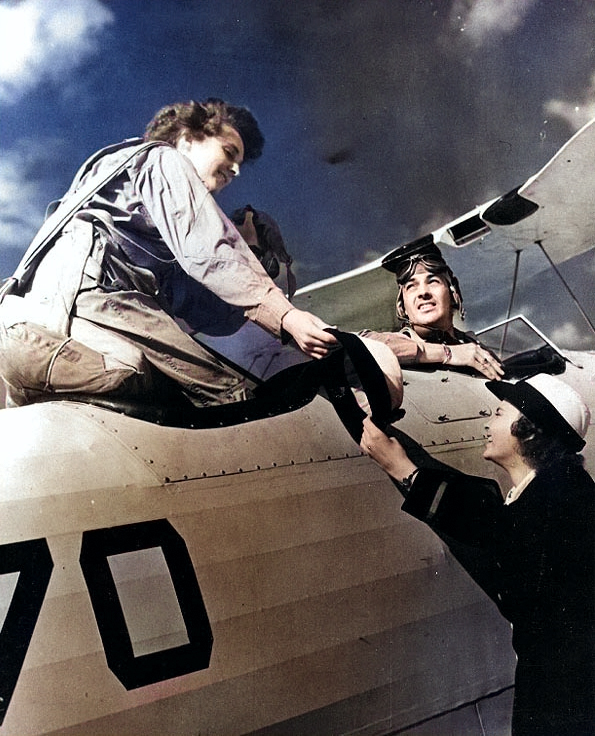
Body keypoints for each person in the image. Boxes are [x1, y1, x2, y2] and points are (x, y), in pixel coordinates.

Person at [0, 99, 336, 408]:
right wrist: (286, 315)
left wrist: (253, 263)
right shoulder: (161, 158)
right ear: (188, 138)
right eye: (229, 152)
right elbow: (210, 253)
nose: (235, 171)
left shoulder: (127, 206)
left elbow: (210, 312)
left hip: (26, 337)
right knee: (229, 397)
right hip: (84, 310)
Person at [360, 373, 594, 736]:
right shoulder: (561, 489)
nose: (488, 423)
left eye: (498, 414)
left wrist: (404, 470)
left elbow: (499, 531)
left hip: (564, 698)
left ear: (527, 430)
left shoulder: (558, 499)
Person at [360, 237, 504, 381]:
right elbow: (357, 344)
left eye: (433, 281)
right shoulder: (392, 343)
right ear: (402, 306)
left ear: (453, 293)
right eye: (411, 286)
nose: (423, 293)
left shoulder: (473, 346)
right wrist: (448, 353)